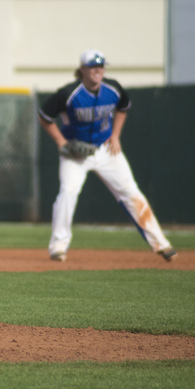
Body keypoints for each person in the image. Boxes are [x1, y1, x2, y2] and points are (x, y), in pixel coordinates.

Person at [38, 49, 177, 262]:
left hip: (106, 149)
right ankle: (58, 247)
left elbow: (123, 107)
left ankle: (161, 245)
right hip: (75, 153)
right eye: (93, 67)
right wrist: (61, 142)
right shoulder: (68, 93)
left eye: (101, 66)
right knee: (68, 192)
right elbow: (45, 116)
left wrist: (116, 135)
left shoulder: (113, 88)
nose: (98, 70)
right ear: (82, 70)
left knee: (131, 192)